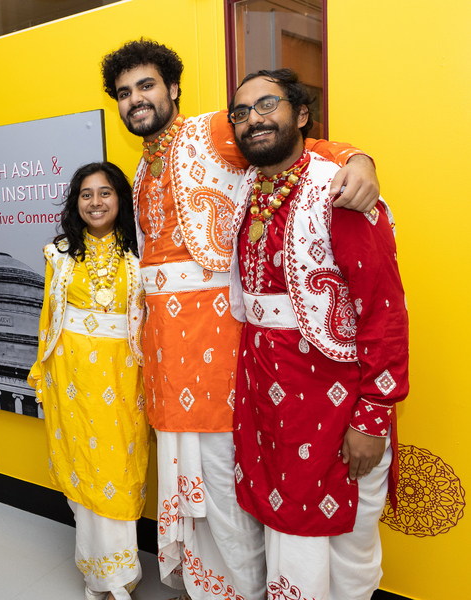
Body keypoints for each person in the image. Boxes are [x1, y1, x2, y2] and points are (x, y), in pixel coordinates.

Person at [100, 39, 380, 600]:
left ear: (172, 87)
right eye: (125, 93)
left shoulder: (213, 131)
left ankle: (246, 592)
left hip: (221, 353)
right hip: (166, 357)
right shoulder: (140, 164)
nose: (137, 101)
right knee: (195, 491)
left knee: (230, 491)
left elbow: (296, 147)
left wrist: (357, 159)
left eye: (147, 86)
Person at [227, 68, 408, 600]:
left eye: (268, 105)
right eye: (242, 113)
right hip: (266, 398)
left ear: (301, 115)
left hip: (335, 399)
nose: (254, 120)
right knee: (280, 527)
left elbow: (384, 313)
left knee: (347, 540)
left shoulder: (341, 191)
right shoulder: (245, 191)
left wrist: (373, 417)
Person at [29, 162, 149, 600]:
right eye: (86, 194)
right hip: (71, 378)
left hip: (122, 379)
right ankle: (100, 575)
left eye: (105, 193)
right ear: (75, 203)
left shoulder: (141, 254)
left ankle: (119, 573)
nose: (95, 202)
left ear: (120, 199)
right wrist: (43, 370)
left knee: (116, 467)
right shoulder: (58, 253)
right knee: (83, 464)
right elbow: (48, 318)